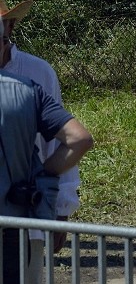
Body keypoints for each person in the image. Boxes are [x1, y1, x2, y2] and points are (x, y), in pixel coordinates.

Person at [0, 15, 94, 284]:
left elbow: (64, 141)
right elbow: (78, 139)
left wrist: (60, 206)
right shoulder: (29, 90)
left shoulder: (38, 74)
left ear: (10, 27)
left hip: (27, 210)